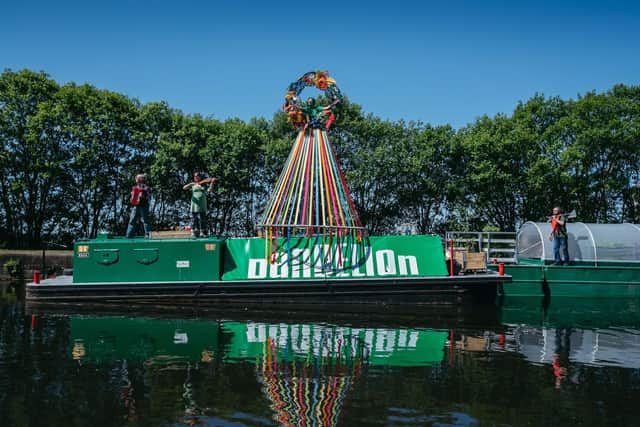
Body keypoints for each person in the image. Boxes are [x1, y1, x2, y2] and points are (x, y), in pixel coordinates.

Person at [183, 172, 217, 237]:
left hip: (202, 204)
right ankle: (193, 231)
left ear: (199, 177)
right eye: (195, 176)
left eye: (197, 176)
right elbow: (184, 188)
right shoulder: (193, 185)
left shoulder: (203, 185)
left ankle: (202, 232)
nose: (196, 177)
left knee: (202, 218)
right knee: (194, 218)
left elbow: (210, 190)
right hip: (194, 204)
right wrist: (191, 184)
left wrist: (212, 182)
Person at [126, 174, 152, 238]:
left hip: (144, 205)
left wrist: (143, 195)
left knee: (145, 220)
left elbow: (149, 196)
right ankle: (129, 235)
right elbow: (132, 196)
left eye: (137, 178)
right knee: (132, 220)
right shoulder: (135, 187)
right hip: (136, 206)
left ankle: (147, 235)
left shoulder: (146, 187)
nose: (136, 179)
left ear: (141, 179)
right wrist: (132, 196)